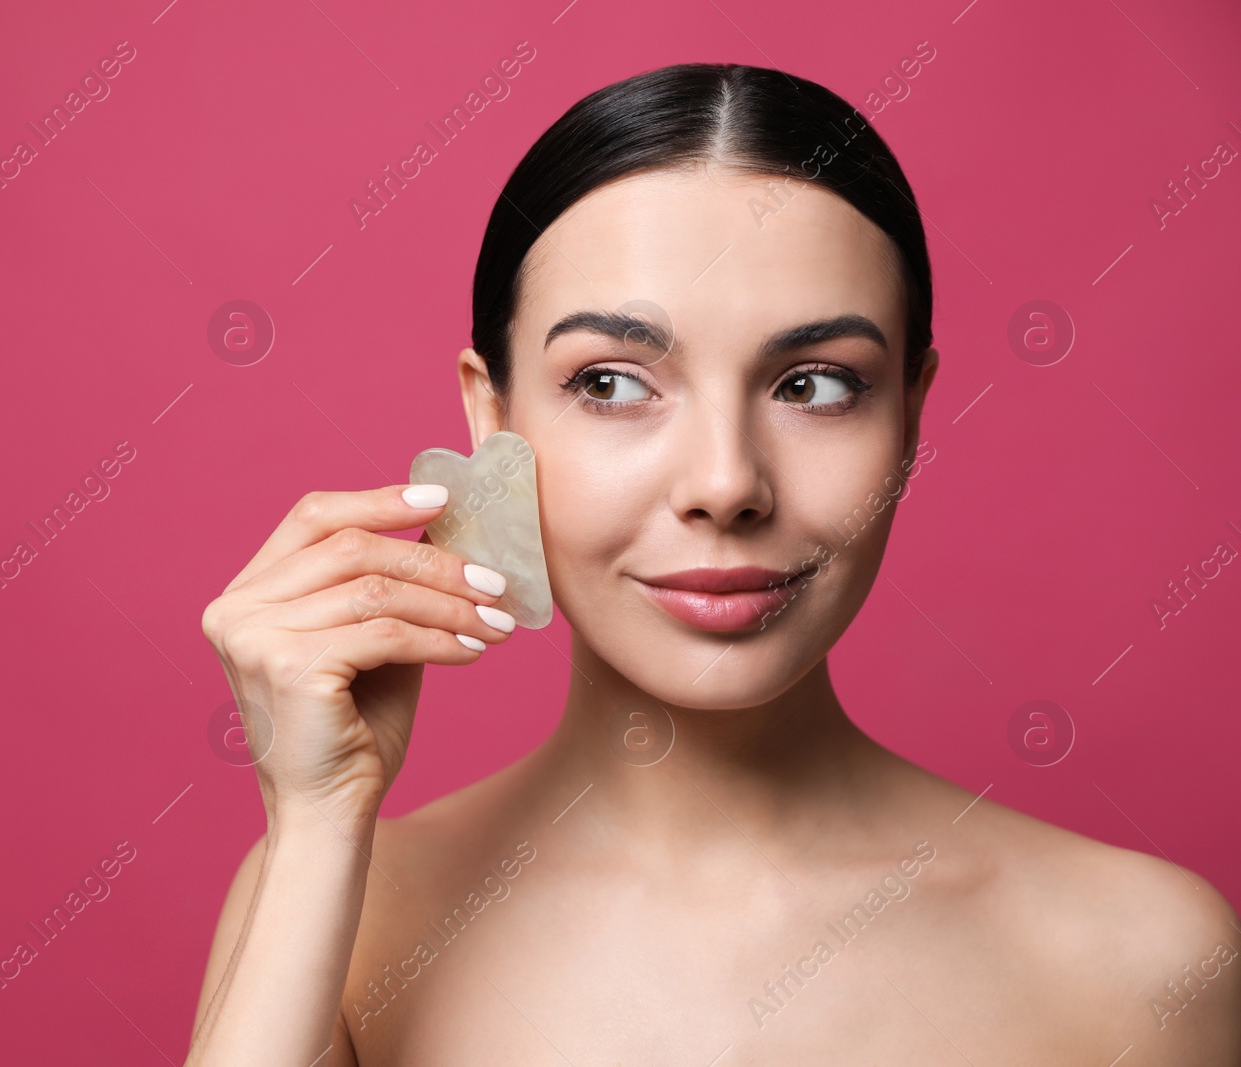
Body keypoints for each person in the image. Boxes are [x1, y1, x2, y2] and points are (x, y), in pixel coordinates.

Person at [185, 63, 1240, 1065]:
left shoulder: (1139, 956)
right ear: (491, 415)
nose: (726, 482)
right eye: (610, 382)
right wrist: (318, 817)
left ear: (912, 415)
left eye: (816, 386)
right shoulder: (344, 906)